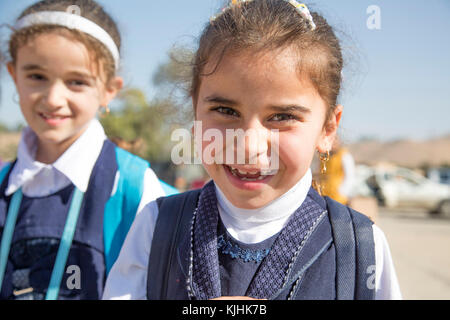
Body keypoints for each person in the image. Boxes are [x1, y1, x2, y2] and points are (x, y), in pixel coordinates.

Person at [103, 0, 401, 300]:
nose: (248, 146)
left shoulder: (360, 247)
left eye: (282, 117)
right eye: (225, 110)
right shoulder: (157, 228)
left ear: (327, 129)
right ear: (195, 111)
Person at [0, 0, 173, 300]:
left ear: (109, 90)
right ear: (14, 74)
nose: (54, 98)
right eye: (37, 76)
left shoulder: (132, 187)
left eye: (76, 82)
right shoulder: (3, 184)